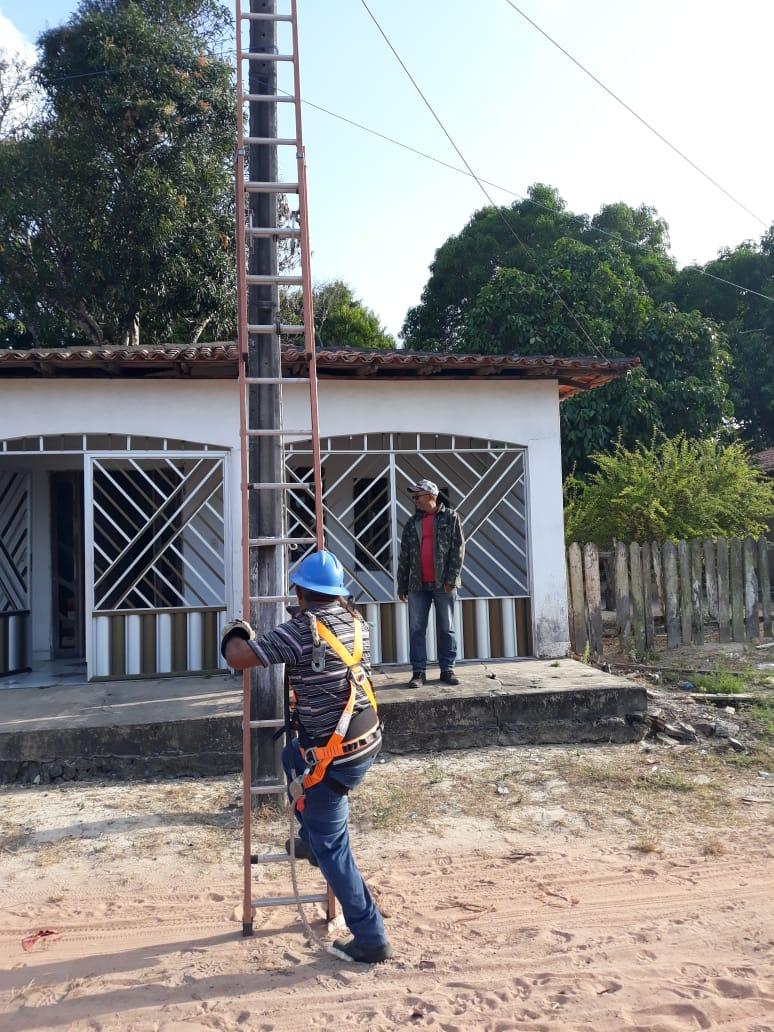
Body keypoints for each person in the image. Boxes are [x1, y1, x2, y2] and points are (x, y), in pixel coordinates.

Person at [220, 549, 392, 965]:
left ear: (299, 592)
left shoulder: (299, 631)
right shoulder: (357, 623)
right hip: (366, 740)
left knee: (335, 850)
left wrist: (234, 632)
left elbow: (239, 658)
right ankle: (312, 840)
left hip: (333, 758)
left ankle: (370, 937)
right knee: (289, 755)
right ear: (335, 593)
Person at [397, 479, 465, 690]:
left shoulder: (451, 517)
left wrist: (451, 579)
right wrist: (402, 584)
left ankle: (447, 669)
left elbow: (458, 549)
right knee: (417, 628)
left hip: (443, 583)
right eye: (414, 497)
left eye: (418, 496)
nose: (414, 500)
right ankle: (419, 672)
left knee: (447, 627)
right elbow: (405, 556)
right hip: (417, 585)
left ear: (431, 496)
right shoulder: (411, 523)